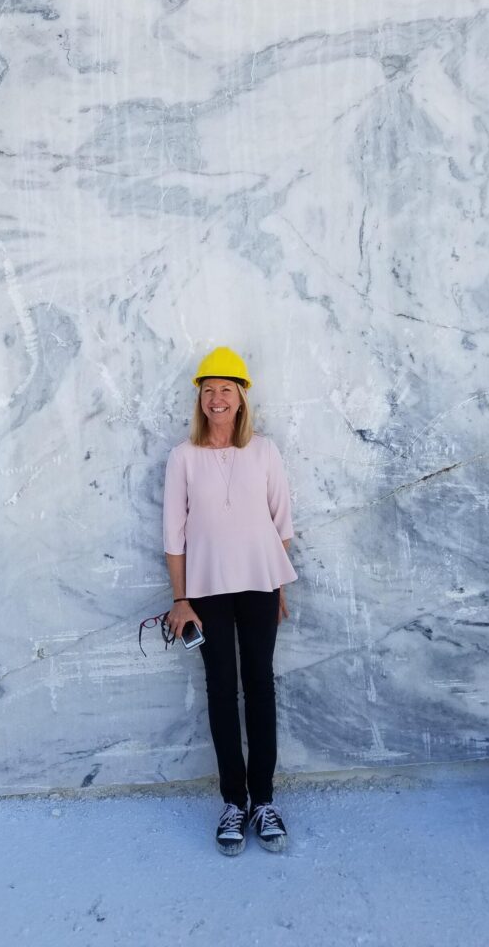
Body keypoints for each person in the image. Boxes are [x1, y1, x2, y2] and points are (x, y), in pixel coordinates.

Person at [163, 347, 297, 855]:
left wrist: (276, 584)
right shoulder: (182, 457)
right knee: (221, 690)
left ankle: (263, 801)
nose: (216, 398)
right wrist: (181, 600)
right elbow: (174, 536)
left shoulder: (264, 451)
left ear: (241, 399)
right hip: (205, 592)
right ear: (199, 399)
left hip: (260, 587)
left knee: (260, 686)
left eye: (226, 389)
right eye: (208, 390)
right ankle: (233, 803)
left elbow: (281, 525)